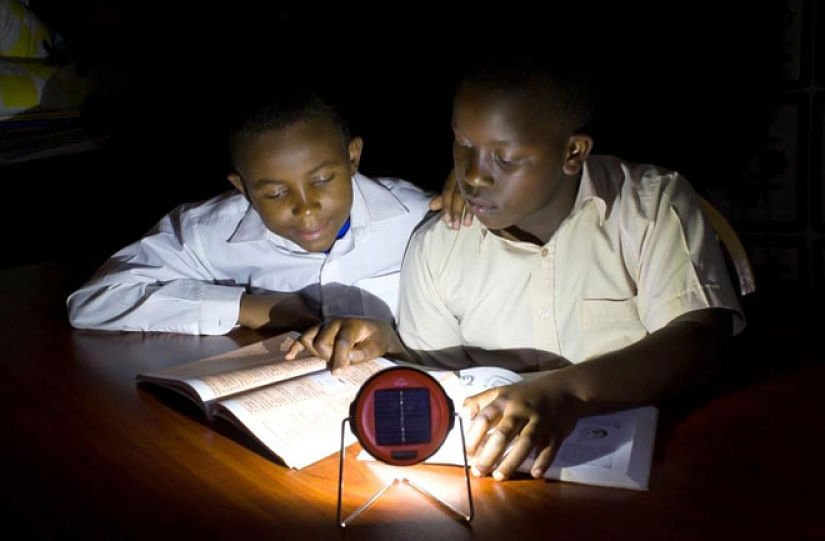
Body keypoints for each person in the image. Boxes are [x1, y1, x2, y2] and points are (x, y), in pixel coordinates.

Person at [286, 49, 745, 482]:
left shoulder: (649, 207)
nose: (473, 175)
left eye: (504, 159)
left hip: (663, 463)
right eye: (462, 146)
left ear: (573, 153)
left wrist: (566, 392)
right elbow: (442, 373)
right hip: (506, 481)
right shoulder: (440, 244)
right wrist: (392, 344)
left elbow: (702, 337)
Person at [66, 82, 434, 335]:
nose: (306, 210)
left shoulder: (418, 218)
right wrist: (252, 308)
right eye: (275, 194)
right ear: (243, 188)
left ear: (352, 157)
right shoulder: (209, 233)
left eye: (322, 180)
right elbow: (94, 302)